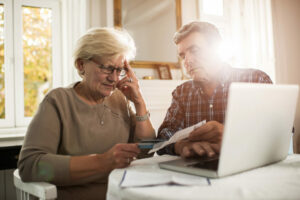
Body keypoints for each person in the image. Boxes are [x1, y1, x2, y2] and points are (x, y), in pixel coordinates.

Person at [18, 27, 155, 200]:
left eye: (119, 70)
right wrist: (102, 162)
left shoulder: (120, 100)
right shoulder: (58, 101)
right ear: (81, 64)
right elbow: (30, 165)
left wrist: (139, 102)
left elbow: (147, 151)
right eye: (106, 68)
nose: (114, 79)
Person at [157, 21, 272, 158]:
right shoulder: (182, 92)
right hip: (198, 172)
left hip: (250, 167)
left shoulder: (255, 80)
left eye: (194, 50)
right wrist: (179, 146)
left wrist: (232, 135)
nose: (187, 61)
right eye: (183, 56)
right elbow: (163, 137)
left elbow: (281, 131)